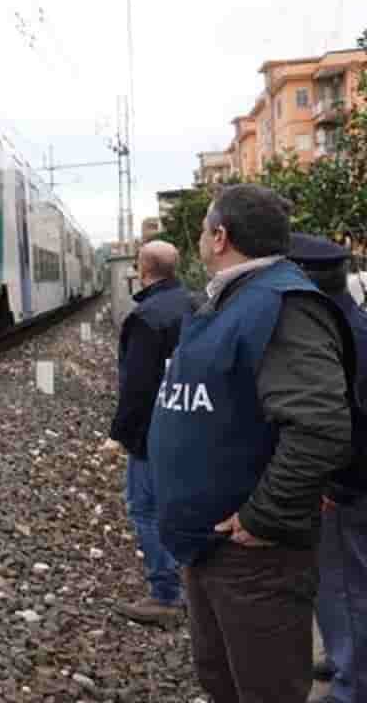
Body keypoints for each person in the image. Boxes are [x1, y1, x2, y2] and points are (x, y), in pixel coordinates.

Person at [147, 185, 355, 703]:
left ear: (220, 236)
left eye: (203, 229)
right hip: (211, 545)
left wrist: (264, 516)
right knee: (224, 681)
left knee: (265, 690)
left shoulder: (282, 306)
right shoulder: (236, 299)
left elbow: (319, 426)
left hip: (251, 554)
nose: (199, 238)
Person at [288, 232, 367, 703]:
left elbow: (349, 424)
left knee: (344, 587)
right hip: (350, 482)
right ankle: (346, 658)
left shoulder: (335, 337)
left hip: (346, 487)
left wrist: (334, 484)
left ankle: (352, 685)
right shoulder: (350, 322)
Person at [108, 240, 194, 624]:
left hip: (152, 432)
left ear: (141, 270)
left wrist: (119, 434)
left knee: (144, 508)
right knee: (185, 504)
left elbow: (138, 386)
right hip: (194, 422)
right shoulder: (197, 303)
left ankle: (166, 595)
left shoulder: (145, 317)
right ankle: (195, 586)